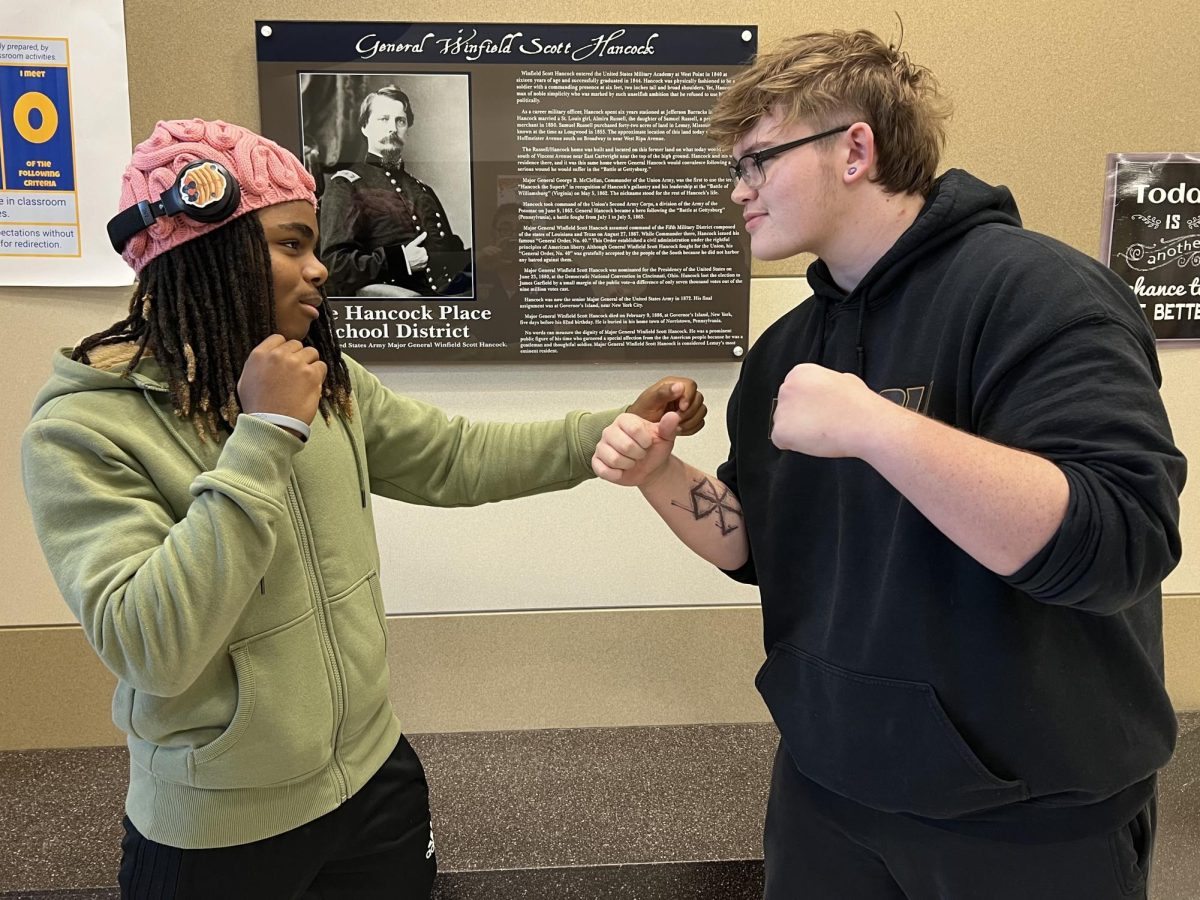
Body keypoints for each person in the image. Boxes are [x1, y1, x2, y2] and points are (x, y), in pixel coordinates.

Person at [20, 118, 705, 899]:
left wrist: (609, 429)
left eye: (315, 245)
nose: (318, 270)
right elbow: (151, 645)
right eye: (290, 244)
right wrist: (266, 434)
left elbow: (452, 456)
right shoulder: (83, 429)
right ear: (206, 253)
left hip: (374, 787)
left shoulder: (325, 378)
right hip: (216, 827)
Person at [591, 29, 1185, 900]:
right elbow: (762, 548)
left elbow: (1120, 542)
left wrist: (881, 428)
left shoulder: (1037, 293)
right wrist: (658, 476)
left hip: (1026, 822)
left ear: (855, 150)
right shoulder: (791, 347)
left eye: (757, 161)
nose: (737, 191)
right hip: (825, 795)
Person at [319, 85, 471, 297]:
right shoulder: (347, 185)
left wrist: (481, 259)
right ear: (365, 127)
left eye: (400, 121)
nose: (392, 128)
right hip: (398, 310)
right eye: (383, 119)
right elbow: (335, 266)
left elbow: (450, 256)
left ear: (407, 128)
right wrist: (400, 261)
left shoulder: (421, 189)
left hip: (447, 298)